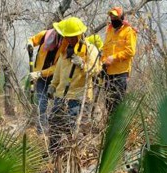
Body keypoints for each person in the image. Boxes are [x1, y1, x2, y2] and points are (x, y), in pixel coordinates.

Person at [47, 17, 101, 154]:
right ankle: (55, 155)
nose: (70, 39)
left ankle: (75, 157)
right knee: (55, 126)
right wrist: (53, 85)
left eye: (72, 37)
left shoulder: (90, 50)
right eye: (67, 37)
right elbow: (59, 72)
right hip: (61, 96)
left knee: (75, 128)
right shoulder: (64, 51)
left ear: (79, 34)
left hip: (79, 97)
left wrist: (83, 64)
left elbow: (96, 70)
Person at [27, 28, 64, 134]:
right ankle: (41, 131)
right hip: (39, 78)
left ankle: (54, 130)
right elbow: (31, 40)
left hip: (55, 78)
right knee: (42, 104)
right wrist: (29, 45)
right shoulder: (43, 35)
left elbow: (57, 67)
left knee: (58, 104)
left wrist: (40, 73)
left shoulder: (63, 44)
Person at [102, 7, 137, 115]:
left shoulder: (128, 31)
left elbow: (130, 51)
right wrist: (103, 63)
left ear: (121, 17)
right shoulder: (109, 31)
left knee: (117, 103)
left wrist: (114, 57)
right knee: (108, 103)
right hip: (108, 73)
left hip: (121, 73)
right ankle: (108, 128)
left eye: (115, 17)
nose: (113, 19)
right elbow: (105, 50)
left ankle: (118, 129)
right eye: (111, 17)